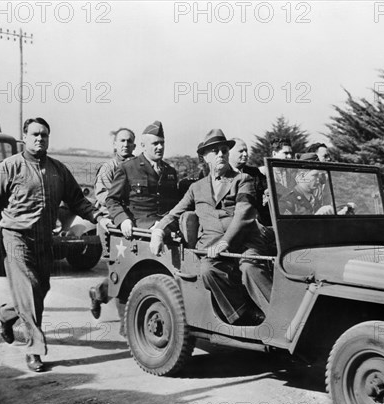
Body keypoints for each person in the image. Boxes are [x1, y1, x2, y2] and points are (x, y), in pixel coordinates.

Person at [0, 117, 100, 372]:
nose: (40, 139)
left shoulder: (57, 170)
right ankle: (34, 349)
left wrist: (98, 216)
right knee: (29, 290)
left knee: (40, 290)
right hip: (15, 238)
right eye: (35, 134)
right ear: (25, 137)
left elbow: (78, 201)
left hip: (45, 240)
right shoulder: (8, 168)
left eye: (44, 135)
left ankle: (6, 315)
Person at [150, 129, 272, 326]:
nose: (221, 154)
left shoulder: (242, 180)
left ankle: (278, 319)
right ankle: (242, 315)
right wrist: (158, 231)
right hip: (212, 248)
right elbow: (175, 212)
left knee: (250, 267)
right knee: (207, 270)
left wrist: (226, 242)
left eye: (224, 150)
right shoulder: (196, 188)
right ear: (205, 157)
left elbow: (244, 213)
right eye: (215, 151)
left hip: (245, 243)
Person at [89, 121, 180, 330]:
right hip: (135, 233)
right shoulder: (128, 169)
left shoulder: (170, 172)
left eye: (162, 143)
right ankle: (126, 326)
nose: (159, 147)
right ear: (144, 145)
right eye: (155, 143)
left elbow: (174, 204)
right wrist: (123, 220)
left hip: (162, 233)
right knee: (127, 276)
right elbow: (111, 200)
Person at [88, 128, 136, 321]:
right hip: (112, 226)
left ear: (134, 144)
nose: (125, 144)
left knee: (132, 268)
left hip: (132, 225)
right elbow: (105, 198)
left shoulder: (138, 166)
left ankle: (98, 293)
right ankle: (125, 323)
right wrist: (122, 215)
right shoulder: (109, 168)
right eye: (122, 141)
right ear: (115, 144)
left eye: (129, 141)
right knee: (120, 269)